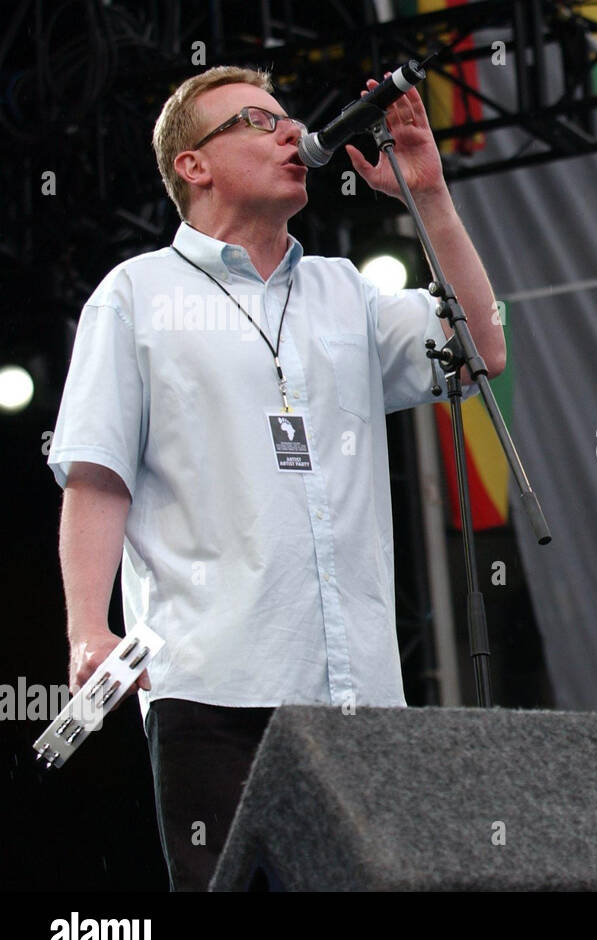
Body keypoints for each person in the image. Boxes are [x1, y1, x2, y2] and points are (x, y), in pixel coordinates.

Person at [48, 65, 505, 891]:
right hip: (213, 685)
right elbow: (97, 472)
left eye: (290, 118)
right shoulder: (137, 295)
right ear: (194, 164)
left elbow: (484, 350)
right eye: (259, 122)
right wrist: (89, 626)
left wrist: (429, 196)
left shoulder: (346, 291)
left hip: (361, 691)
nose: (292, 133)